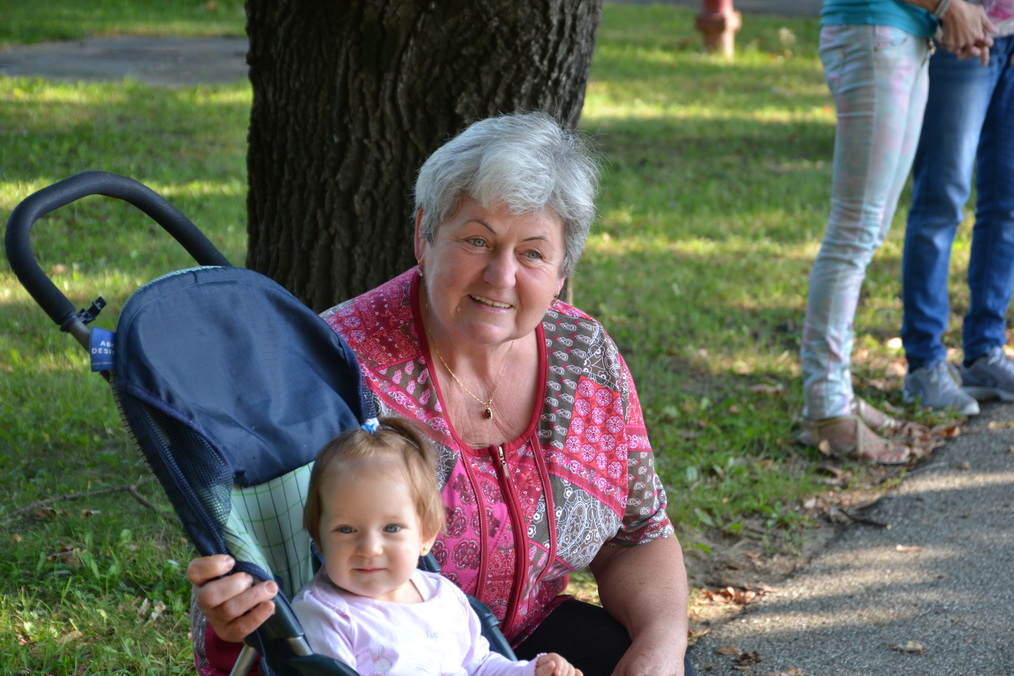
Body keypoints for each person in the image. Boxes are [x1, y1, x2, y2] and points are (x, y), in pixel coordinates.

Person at [188, 111, 695, 676]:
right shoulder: (330, 372)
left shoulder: (583, 354)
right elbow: (258, 566)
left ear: (560, 272)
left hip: (519, 644)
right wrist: (235, 617)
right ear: (423, 236)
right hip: (376, 648)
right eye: (477, 240)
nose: (501, 275)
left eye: (532, 253)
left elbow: (638, 535)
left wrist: (662, 645)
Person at [799, 0, 994, 463]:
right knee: (854, 233)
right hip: (875, 32)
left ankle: (837, 397)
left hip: (902, 35)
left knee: (865, 233)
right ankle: (827, 410)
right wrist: (946, 6)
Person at [293, 416, 581, 676]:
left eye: (391, 528)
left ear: (426, 536)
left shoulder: (443, 597)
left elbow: (480, 665)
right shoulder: (326, 615)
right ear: (319, 538)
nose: (369, 548)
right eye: (345, 529)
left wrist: (529, 672)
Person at [901, 0, 1014, 415]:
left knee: (1007, 203)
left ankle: (985, 352)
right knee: (941, 200)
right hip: (958, 30)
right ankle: (924, 363)